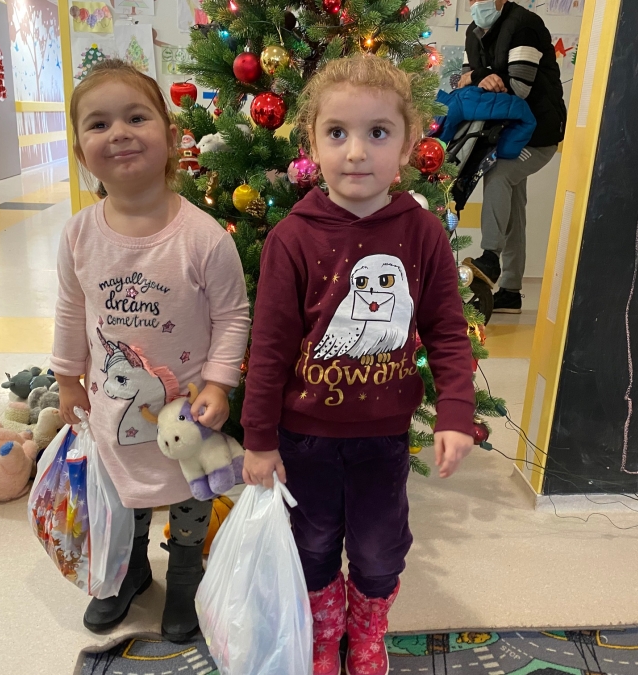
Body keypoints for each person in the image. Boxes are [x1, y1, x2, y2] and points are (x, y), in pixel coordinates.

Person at [241, 54, 476, 675]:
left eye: (377, 132)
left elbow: (447, 331)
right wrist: (259, 439)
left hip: (382, 439)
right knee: (312, 544)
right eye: (337, 132)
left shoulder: (423, 233)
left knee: (379, 551)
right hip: (305, 439)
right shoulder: (291, 238)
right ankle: (323, 632)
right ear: (311, 142)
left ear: (407, 144)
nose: (355, 152)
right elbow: (268, 348)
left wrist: (456, 412)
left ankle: (367, 630)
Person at [51, 59, 250, 638]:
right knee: (122, 489)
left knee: (189, 491)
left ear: (172, 136)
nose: (118, 133)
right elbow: (70, 309)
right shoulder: (79, 235)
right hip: (111, 405)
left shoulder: (203, 237)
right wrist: (66, 379)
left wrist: (220, 383)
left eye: (136, 117)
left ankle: (185, 575)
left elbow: (232, 315)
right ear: (81, 150)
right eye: (98, 124)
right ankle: (130, 568)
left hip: (187, 407)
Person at [460, 0, 567, 313]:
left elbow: (518, 88)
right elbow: (465, 81)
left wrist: (480, 76)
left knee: (500, 175)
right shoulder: (473, 31)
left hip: (538, 135)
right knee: (513, 205)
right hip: (510, 133)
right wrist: (480, 76)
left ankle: (490, 257)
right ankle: (510, 290)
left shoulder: (524, 25)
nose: (474, 3)